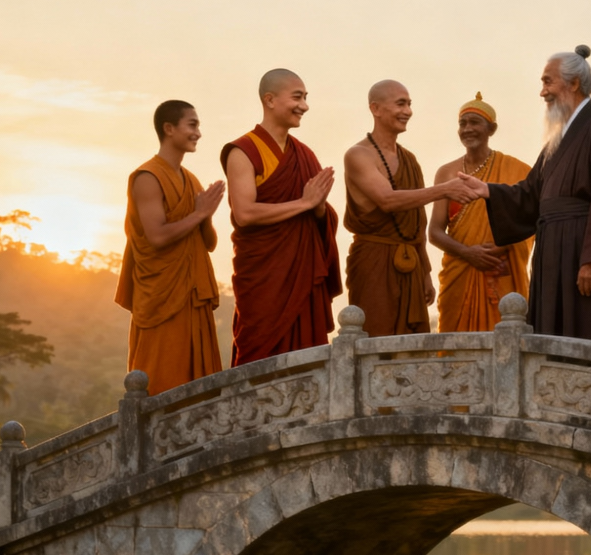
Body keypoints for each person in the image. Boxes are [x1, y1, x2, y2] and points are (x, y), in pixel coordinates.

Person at [457, 46, 591, 345]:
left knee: (588, 335)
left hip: (582, 253)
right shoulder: (557, 139)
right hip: (552, 253)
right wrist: (488, 191)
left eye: (548, 82)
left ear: (574, 83)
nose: (542, 92)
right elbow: (531, 194)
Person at [221, 68, 341, 365]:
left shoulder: (304, 154)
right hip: (264, 279)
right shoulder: (243, 151)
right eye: (297, 97)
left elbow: (320, 214)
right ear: (270, 100)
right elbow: (245, 213)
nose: (304, 105)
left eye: (306, 98)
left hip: (300, 277)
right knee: (259, 355)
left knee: (306, 360)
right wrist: (305, 203)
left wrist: (318, 209)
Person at [343, 80, 478, 337]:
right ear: (376, 108)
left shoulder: (410, 159)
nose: (407, 111)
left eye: (409, 104)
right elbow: (388, 200)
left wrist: (425, 271)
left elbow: (416, 221)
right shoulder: (358, 155)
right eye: (400, 104)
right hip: (374, 261)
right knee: (375, 342)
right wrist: (444, 190)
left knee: (412, 346)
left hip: (411, 266)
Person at [115, 100, 224, 395]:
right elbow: (158, 237)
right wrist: (199, 214)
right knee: (162, 379)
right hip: (162, 296)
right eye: (192, 125)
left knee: (196, 385)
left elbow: (209, 243)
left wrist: (206, 215)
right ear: (169, 128)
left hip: (192, 295)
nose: (198, 132)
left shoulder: (191, 180)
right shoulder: (147, 178)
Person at [428, 93, 532, 332]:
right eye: (462, 123)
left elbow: (531, 222)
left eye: (475, 122)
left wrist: (502, 246)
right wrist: (468, 253)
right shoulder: (446, 173)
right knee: (455, 349)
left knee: (503, 342)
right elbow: (434, 232)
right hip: (459, 273)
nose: (467, 129)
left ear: (491, 129)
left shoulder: (517, 171)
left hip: (500, 269)